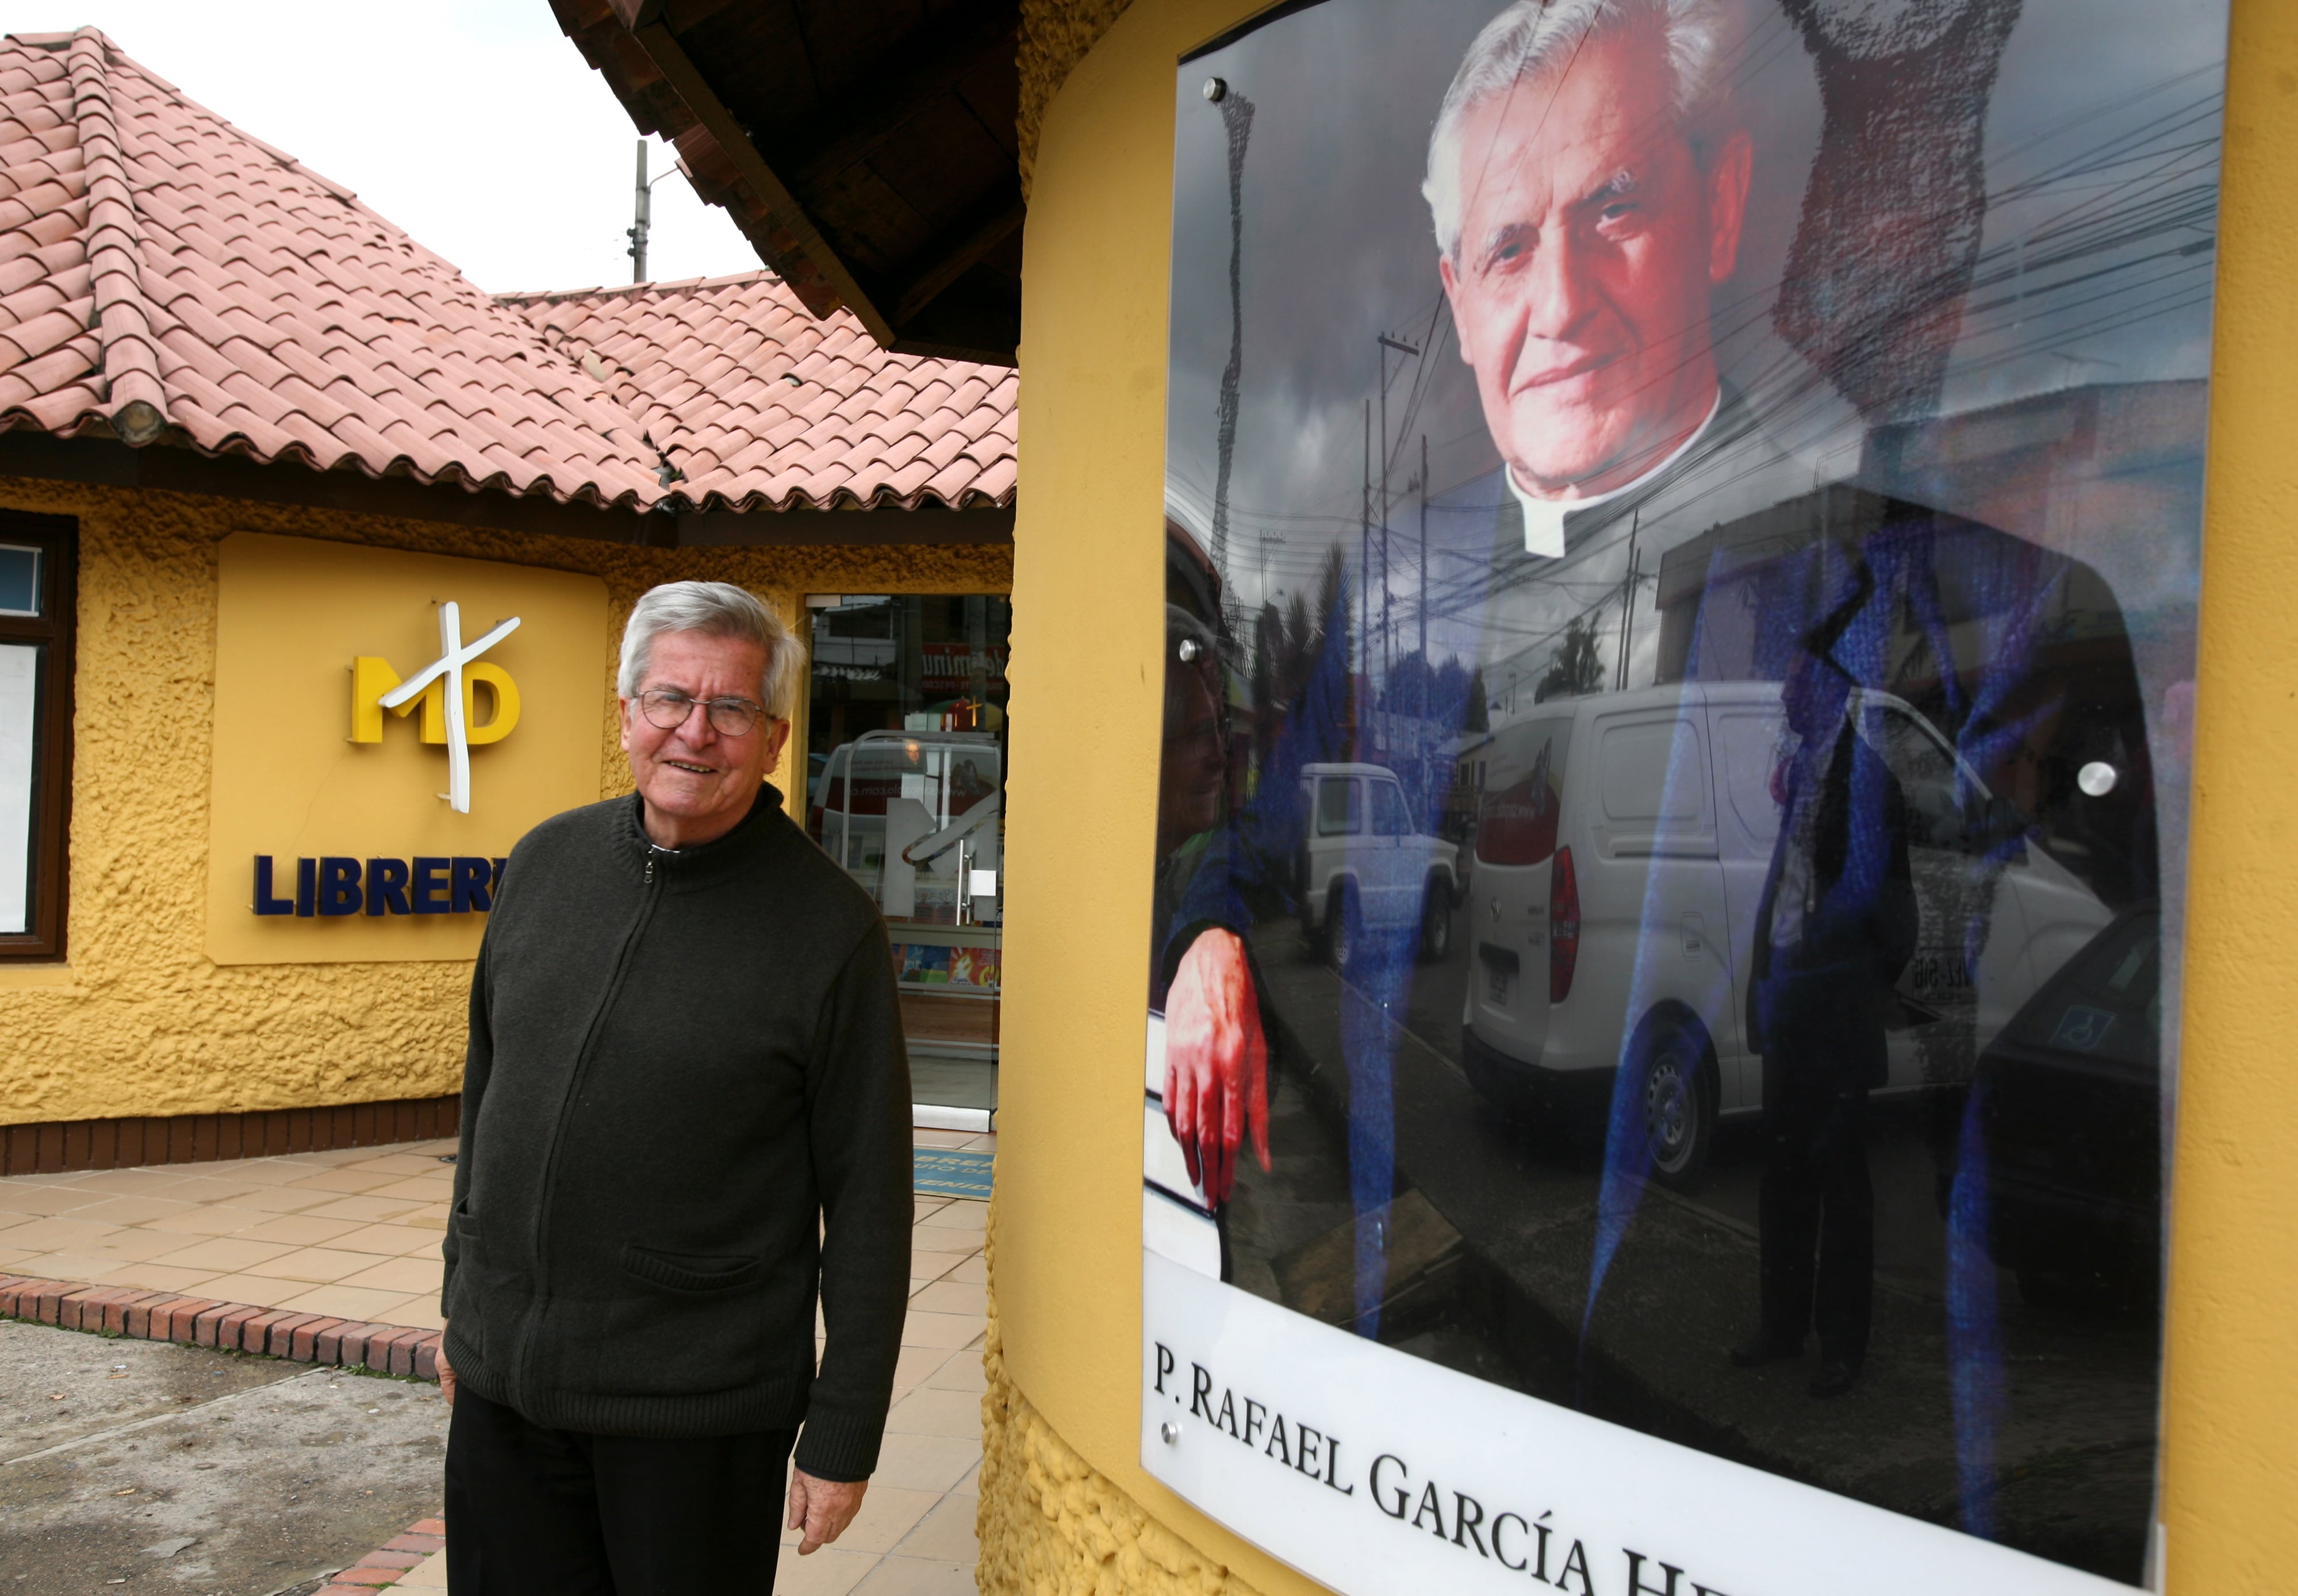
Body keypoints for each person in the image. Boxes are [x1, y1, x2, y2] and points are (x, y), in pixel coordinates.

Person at [436, 581, 913, 1594]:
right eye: (669, 701)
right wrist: (461, 1305)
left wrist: (844, 1429)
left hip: (695, 1420)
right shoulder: (544, 863)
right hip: (507, 1401)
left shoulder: (827, 931)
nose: (695, 732)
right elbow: (487, 1096)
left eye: (731, 709)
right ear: (625, 715)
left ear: (775, 737)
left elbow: (871, 1200)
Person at [1732, 636, 1917, 1398]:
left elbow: (1891, 920)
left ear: (1832, 693)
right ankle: (1782, 1328)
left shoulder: (1868, 784)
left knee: (1841, 1192)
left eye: (1794, 684)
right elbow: (1782, 900)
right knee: (1782, 1180)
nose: (1782, 697)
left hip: (1835, 1026)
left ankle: (1842, 1347)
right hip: (1790, 1020)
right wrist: (1763, 989)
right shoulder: (1803, 775)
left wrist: (1828, 977)